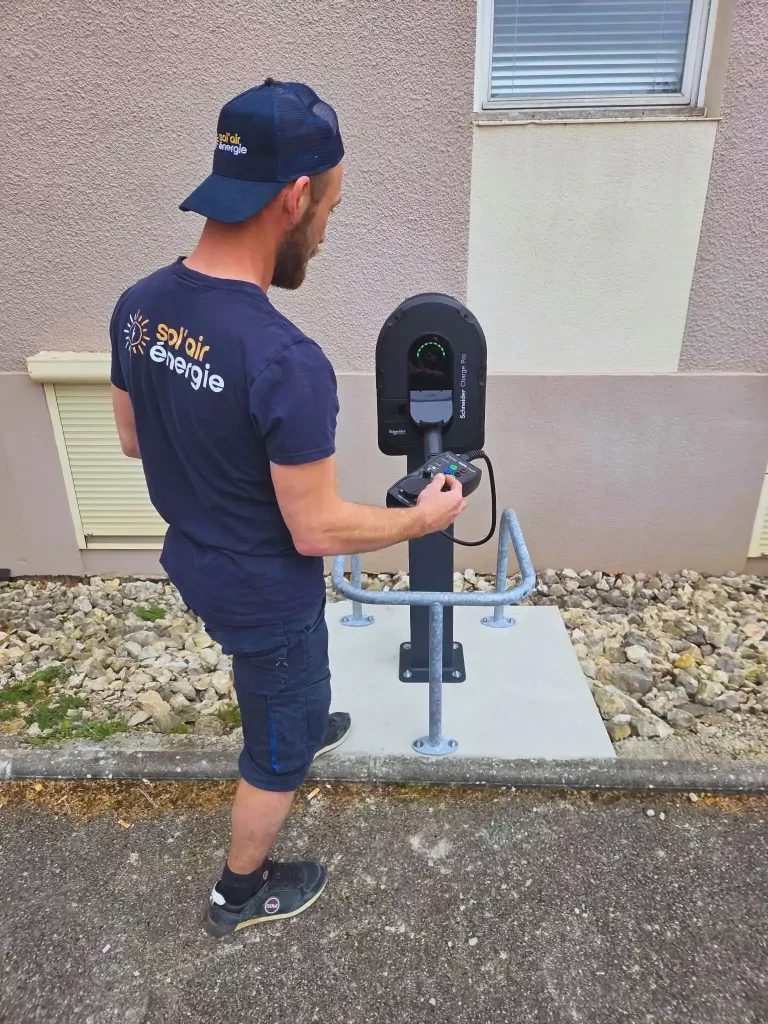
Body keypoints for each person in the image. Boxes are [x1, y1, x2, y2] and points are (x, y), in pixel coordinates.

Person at [109, 79, 467, 938]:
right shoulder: (284, 357)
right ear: (294, 197)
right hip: (265, 592)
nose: (326, 232)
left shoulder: (140, 306)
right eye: (330, 210)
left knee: (290, 687)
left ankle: (302, 711)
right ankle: (242, 890)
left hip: (196, 556)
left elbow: (132, 439)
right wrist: (423, 519)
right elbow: (317, 527)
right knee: (276, 749)